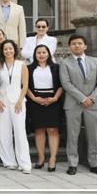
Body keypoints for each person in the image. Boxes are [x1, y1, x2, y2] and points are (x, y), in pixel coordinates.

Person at [60, 34, 97, 176]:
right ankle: (72, 164)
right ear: (70, 47)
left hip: (92, 104)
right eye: (73, 43)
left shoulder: (95, 61)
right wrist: (82, 98)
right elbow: (66, 83)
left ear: (85, 46)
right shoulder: (65, 63)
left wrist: (91, 98)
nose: (77, 45)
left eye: (80, 43)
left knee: (93, 135)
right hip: (73, 104)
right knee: (72, 135)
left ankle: (94, 164)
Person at [0, 39, 32, 173]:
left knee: (20, 131)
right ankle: (8, 161)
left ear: (15, 50)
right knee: (3, 131)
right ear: (2, 51)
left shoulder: (21, 64)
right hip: (2, 101)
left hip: (18, 101)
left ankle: (25, 163)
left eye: (10, 48)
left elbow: (25, 85)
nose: (8, 51)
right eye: (5, 49)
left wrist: (20, 100)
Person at [26, 44, 64, 172]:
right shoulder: (29, 68)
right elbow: (25, 86)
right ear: (35, 55)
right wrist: (34, 98)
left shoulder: (56, 68)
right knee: (39, 130)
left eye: (44, 52)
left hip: (53, 99)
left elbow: (61, 85)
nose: (41, 55)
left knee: (53, 130)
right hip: (35, 99)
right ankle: (41, 158)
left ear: (48, 54)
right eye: (38, 53)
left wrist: (55, 98)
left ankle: (53, 158)